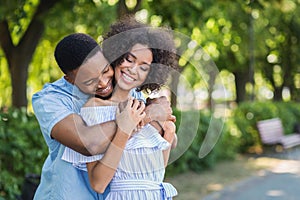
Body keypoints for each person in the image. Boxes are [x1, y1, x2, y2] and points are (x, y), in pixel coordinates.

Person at [32, 33, 175, 199]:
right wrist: (145, 115)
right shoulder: (50, 99)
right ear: (71, 80)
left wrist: (166, 126)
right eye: (88, 81)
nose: (102, 83)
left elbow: (152, 144)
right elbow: (88, 142)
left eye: (105, 70)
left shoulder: (127, 90)